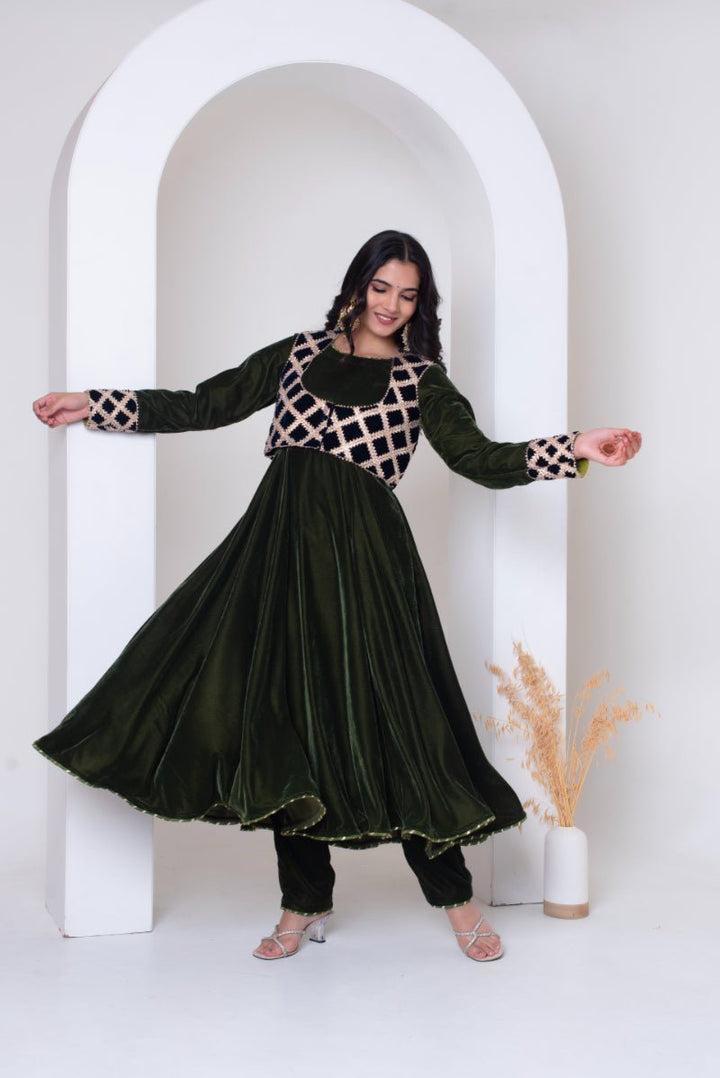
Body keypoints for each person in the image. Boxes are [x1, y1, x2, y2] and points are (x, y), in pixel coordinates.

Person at [32, 230, 641, 962]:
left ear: (420, 306)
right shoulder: (296, 354)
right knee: (283, 721)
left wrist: (574, 447)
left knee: (404, 723)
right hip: (277, 559)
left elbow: (478, 458)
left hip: (368, 568)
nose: (391, 305)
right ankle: (304, 902)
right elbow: (206, 403)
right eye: (381, 287)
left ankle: (456, 901)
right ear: (357, 285)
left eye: (407, 295)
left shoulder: (422, 380)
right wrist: (93, 403)